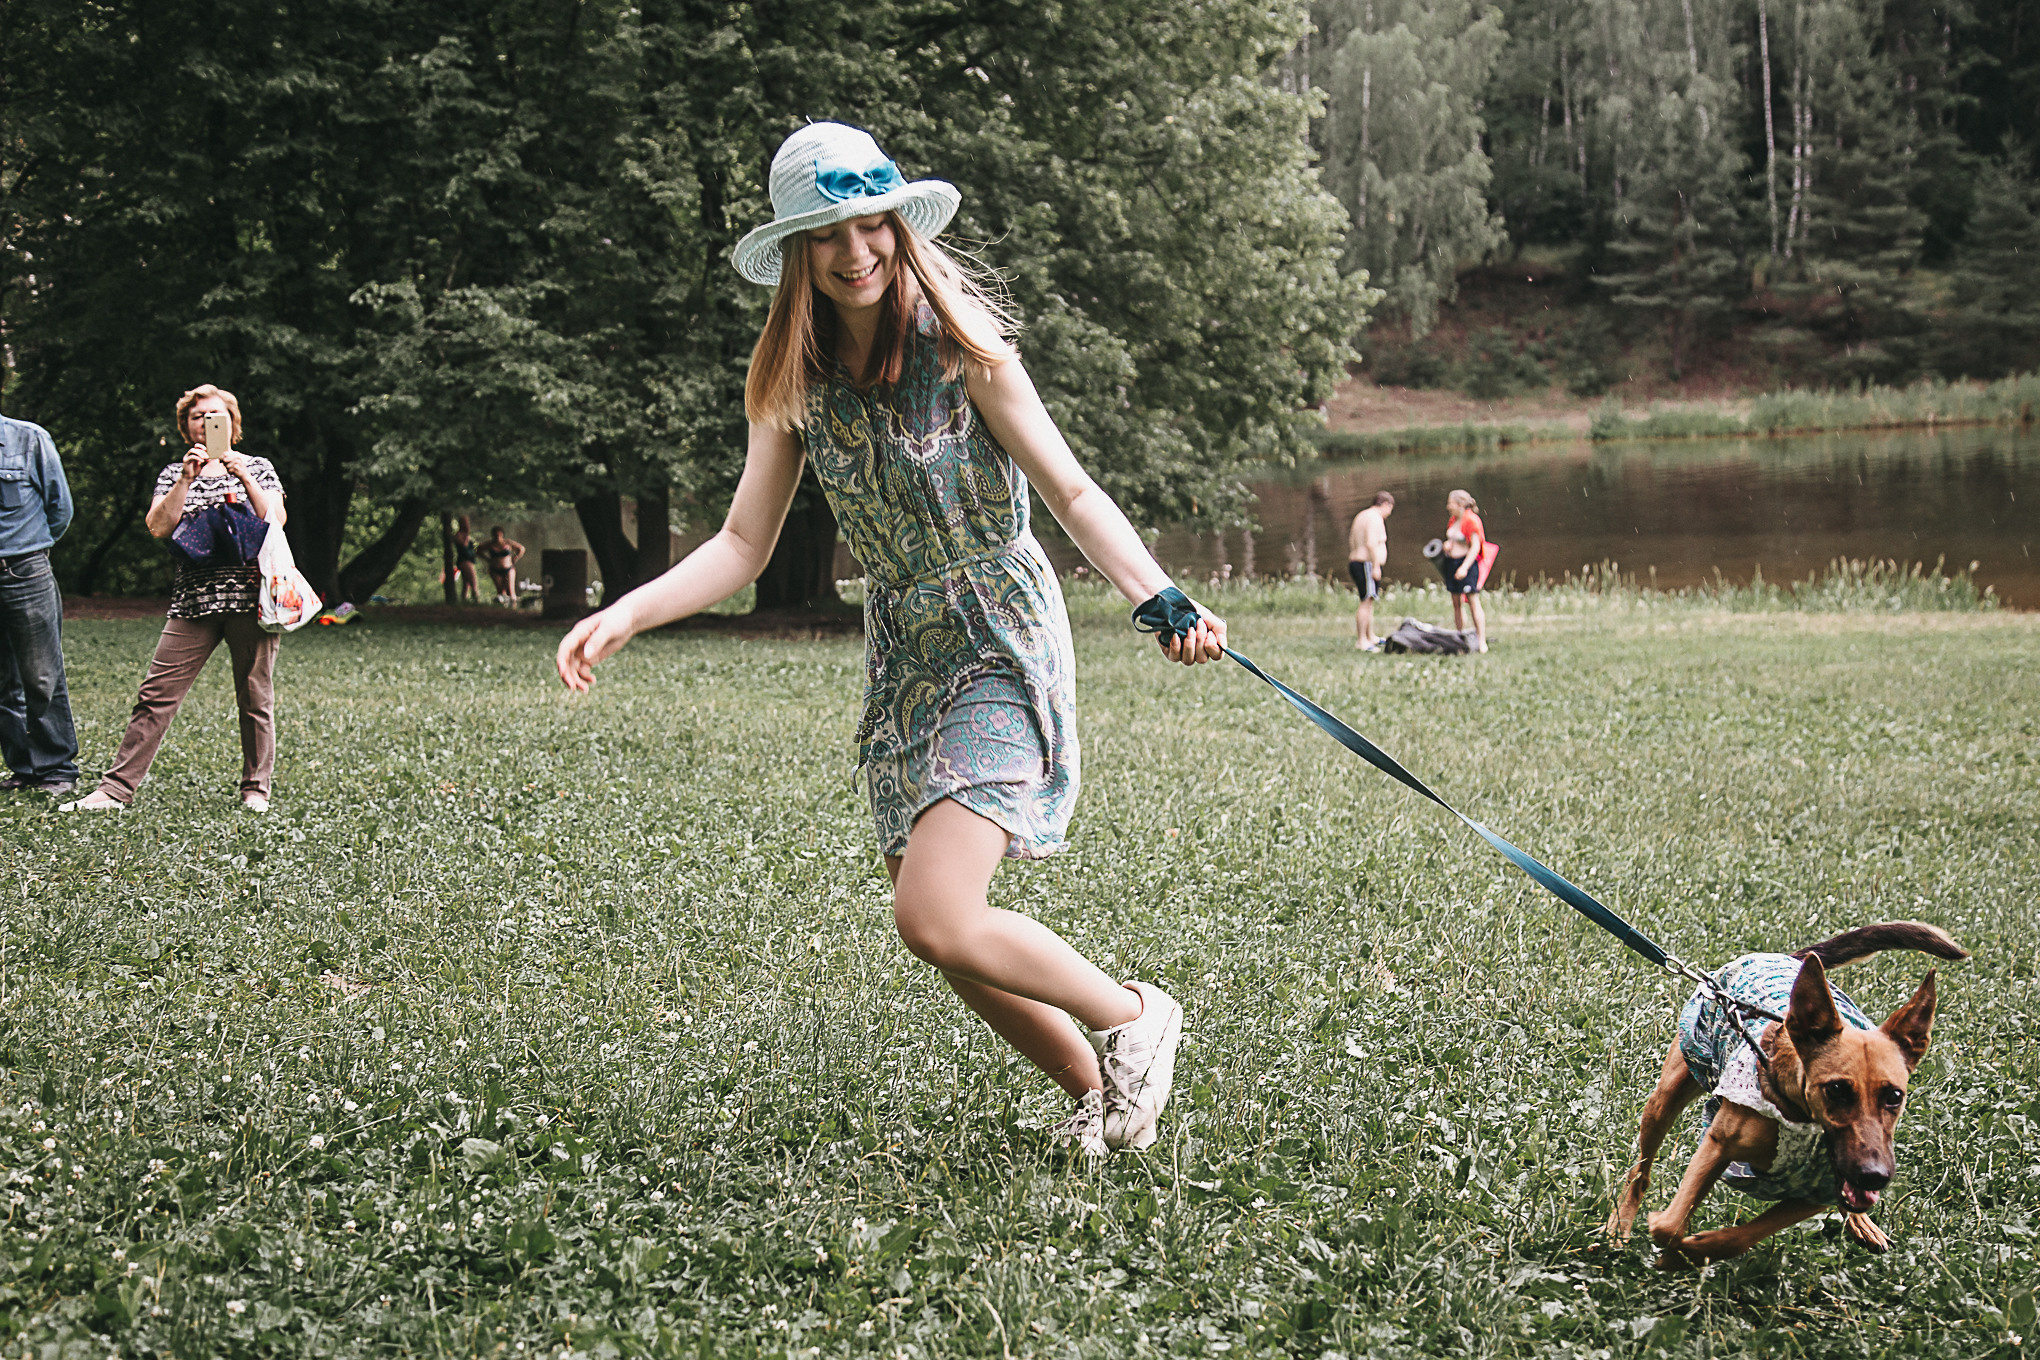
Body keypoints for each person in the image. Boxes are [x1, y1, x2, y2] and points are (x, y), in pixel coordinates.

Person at [555, 122, 1228, 1155]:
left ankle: (1137, 1013)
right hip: (904, 652)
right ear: (796, 249)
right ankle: (1104, 1090)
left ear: (897, 226)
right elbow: (742, 541)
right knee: (947, 934)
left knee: (936, 912)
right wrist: (628, 609)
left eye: (871, 220)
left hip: (999, 635)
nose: (855, 248)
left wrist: (1160, 597)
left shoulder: (960, 344)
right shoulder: (794, 376)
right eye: (827, 230)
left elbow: (1072, 488)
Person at [63, 385, 286, 813]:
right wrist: (187, 478)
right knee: (155, 695)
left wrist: (243, 476)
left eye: (215, 414)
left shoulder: (258, 467)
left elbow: (274, 520)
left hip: (250, 600)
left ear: (233, 423)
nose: (206, 421)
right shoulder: (174, 472)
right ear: (186, 426)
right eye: (198, 416)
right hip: (192, 602)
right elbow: (158, 527)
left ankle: (256, 790)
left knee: (255, 698)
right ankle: (114, 791)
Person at [0, 412, 80, 795]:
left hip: (24, 570)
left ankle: (56, 770)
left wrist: (30, 552)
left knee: (41, 674)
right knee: (3, 681)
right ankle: (23, 768)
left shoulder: (28, 439)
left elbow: (60, 509)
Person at [1346, 490, 1393, 652]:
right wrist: (1376, 566)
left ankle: (1370, 636)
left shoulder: (1362, 515)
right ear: (1386, 504)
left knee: (1369, 600)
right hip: (1366, 564)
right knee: (1366, 602)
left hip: (1356, 561)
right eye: (1390, 509)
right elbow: (1371, 543)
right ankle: (1362, 641)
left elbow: (1352, 540)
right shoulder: (1375, 518)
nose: (1389, 514)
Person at [1442, 488, 1488, 651]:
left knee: (1473, 601)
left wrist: (1464, 567)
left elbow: (1475, 547)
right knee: (1456, 602)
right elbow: (1452, 539)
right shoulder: (1454, 519)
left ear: (1460, 504)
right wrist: (1448, 546)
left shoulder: (1471, 520)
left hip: (1467, 564)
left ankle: (1481, 641)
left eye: (1450, 503)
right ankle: (1461, 636)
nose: (1448, 506)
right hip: (1451, 563)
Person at [483, 526, 525, 604]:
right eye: (495, 534)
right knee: (501, 591)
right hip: (495, 569)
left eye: (499, 534)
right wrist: (487, 559)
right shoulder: (489, 544)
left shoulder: (508, 542)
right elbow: (477, 549)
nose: (497, 536)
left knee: (511, 591)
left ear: (502, 534)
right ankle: (502, 609)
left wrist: (514, 558)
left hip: (508, 568)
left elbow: (521, 548)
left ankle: (513, 607)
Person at [452, 515, 480, 603]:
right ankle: (476, 600)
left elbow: (474, 548)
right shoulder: (459, 535)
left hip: (470, 560)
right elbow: (463, 546)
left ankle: (463, 602)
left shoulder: (467, 535)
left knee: (466, 584)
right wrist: (466, 537)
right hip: (464, 561)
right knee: (473, 581)